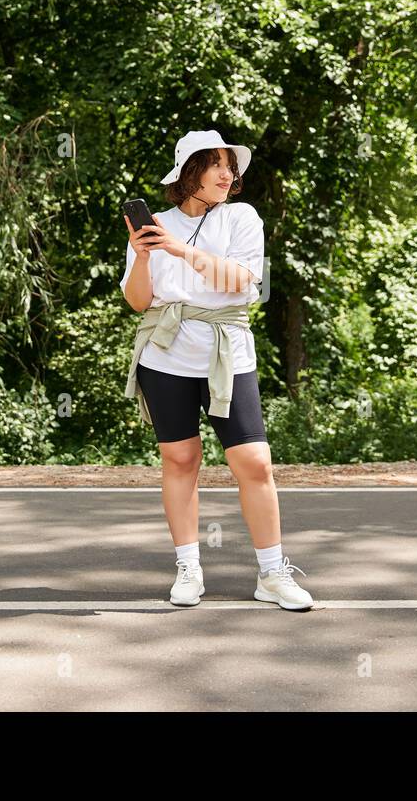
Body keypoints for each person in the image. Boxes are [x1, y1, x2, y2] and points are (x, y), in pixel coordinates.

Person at [120, 129, 314, 610]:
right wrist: (145, 255)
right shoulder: (155, 225)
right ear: (190, 173)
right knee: (180, 461)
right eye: (217, 165)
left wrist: (179, 250)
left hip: (228, 352)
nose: (229, 174)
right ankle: (189, 567)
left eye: (231, 165)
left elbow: (243, 282)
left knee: (253, 462)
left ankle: (272, 573)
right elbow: (138, 300)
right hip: (164, 354)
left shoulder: (242, 218)